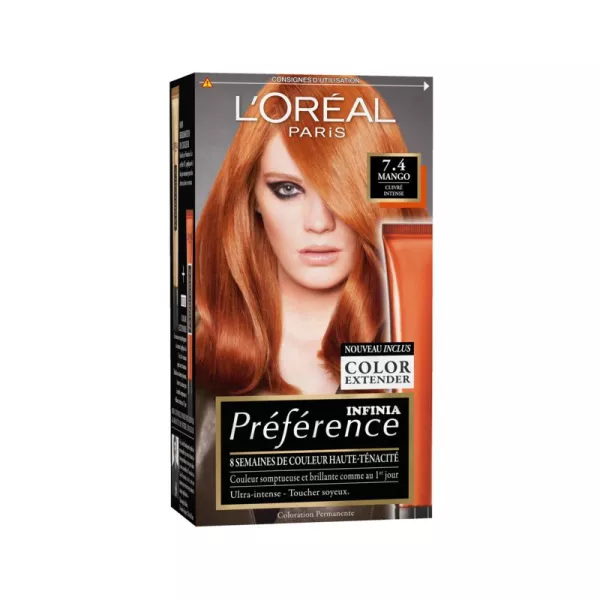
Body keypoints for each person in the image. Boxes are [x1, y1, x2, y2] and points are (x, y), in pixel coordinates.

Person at [194, 78, 428, 525]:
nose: (319, 222)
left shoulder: (420, 354)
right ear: (252, 198)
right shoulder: (194, 358)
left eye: (343, 190)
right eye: (287, 189)